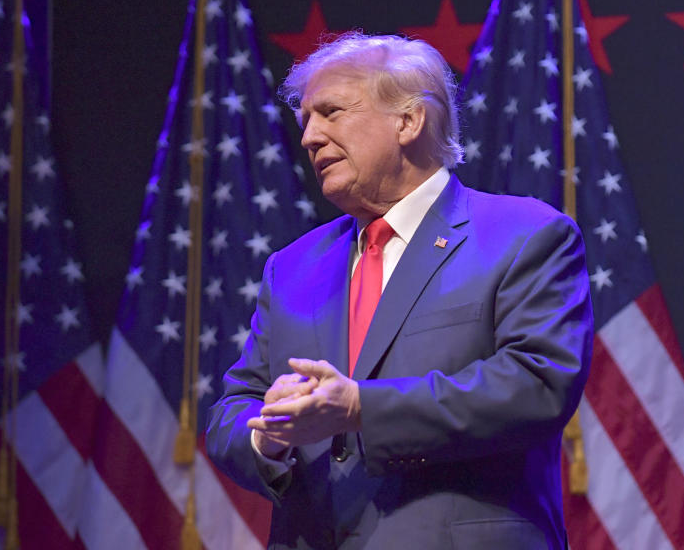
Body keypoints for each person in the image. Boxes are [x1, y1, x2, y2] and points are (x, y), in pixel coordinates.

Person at [206, 33, 593, 549]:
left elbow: (537, 385)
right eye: (305, 121)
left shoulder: (524, 235)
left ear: (408, 121)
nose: (309, 138)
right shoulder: (292, 267)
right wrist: (268, 434)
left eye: (330, 112)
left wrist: (361, 407)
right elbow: (235, 408)